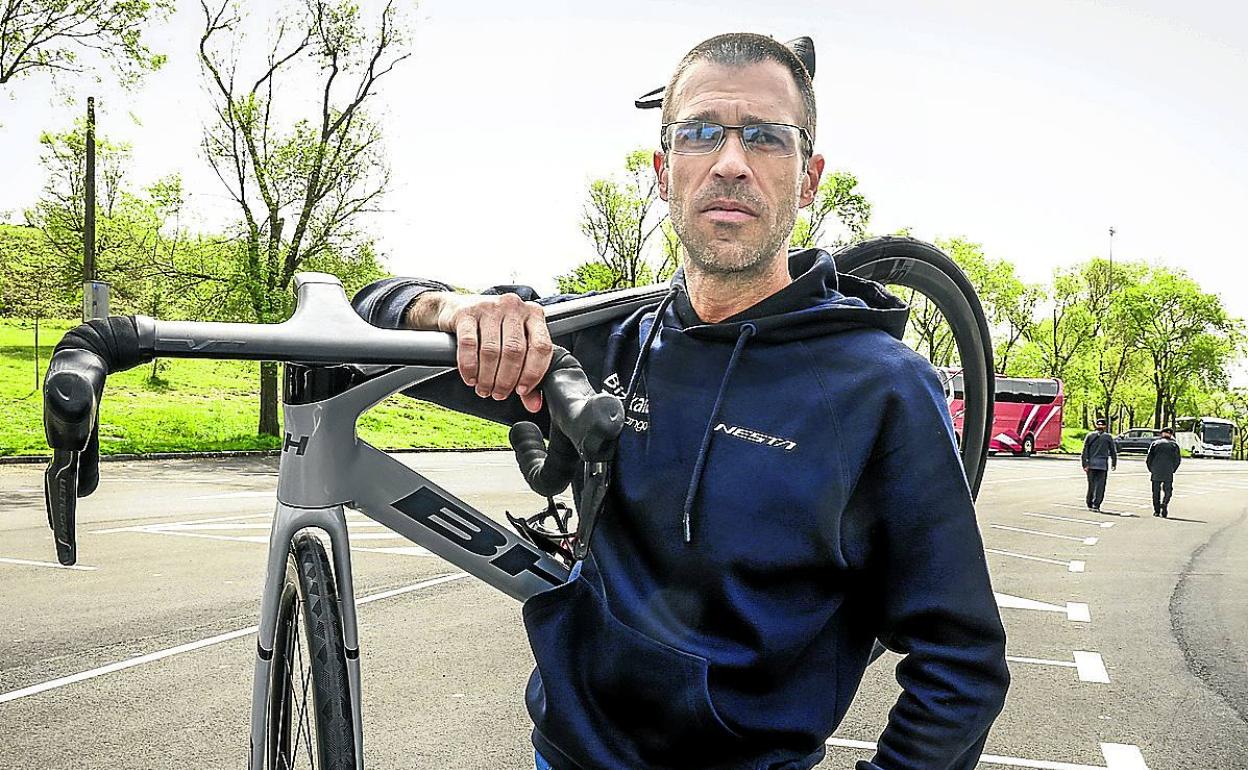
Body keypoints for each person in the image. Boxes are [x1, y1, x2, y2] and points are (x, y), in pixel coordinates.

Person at [352, 33, 1008, 770]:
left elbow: (961, 663)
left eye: (765, 137)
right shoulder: (602, 341)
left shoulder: (882, 387)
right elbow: (362, 324)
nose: (731, 163)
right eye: (701, 134)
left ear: (809, 176)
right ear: (665, 171)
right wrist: (449, 310)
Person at [1081, 417, 1118, 512]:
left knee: (1091, 485)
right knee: (1100, 486)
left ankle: (1089, 503)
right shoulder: (1108, 437)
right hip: (1102, 465)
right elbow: (1113, 451)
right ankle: (1096, 504)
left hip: (1091, 464)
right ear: (1105, 427)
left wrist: (1084, 464)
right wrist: (1114, 463)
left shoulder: (1089, 436)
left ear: (1096, 426)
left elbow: (1084, 451)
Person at [1146, 426, 1182, 517]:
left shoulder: (1155, 444)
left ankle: (1157, 511)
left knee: (1156, 492)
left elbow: (1149, 459)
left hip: (1156, 471)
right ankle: (1165, 503)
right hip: (1168, 471)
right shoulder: (1174, 445)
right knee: (1168, 490)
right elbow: (1177, 460)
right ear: (1170, 435)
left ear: (1162, 434)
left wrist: (1151, 469)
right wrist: (1173, 469)